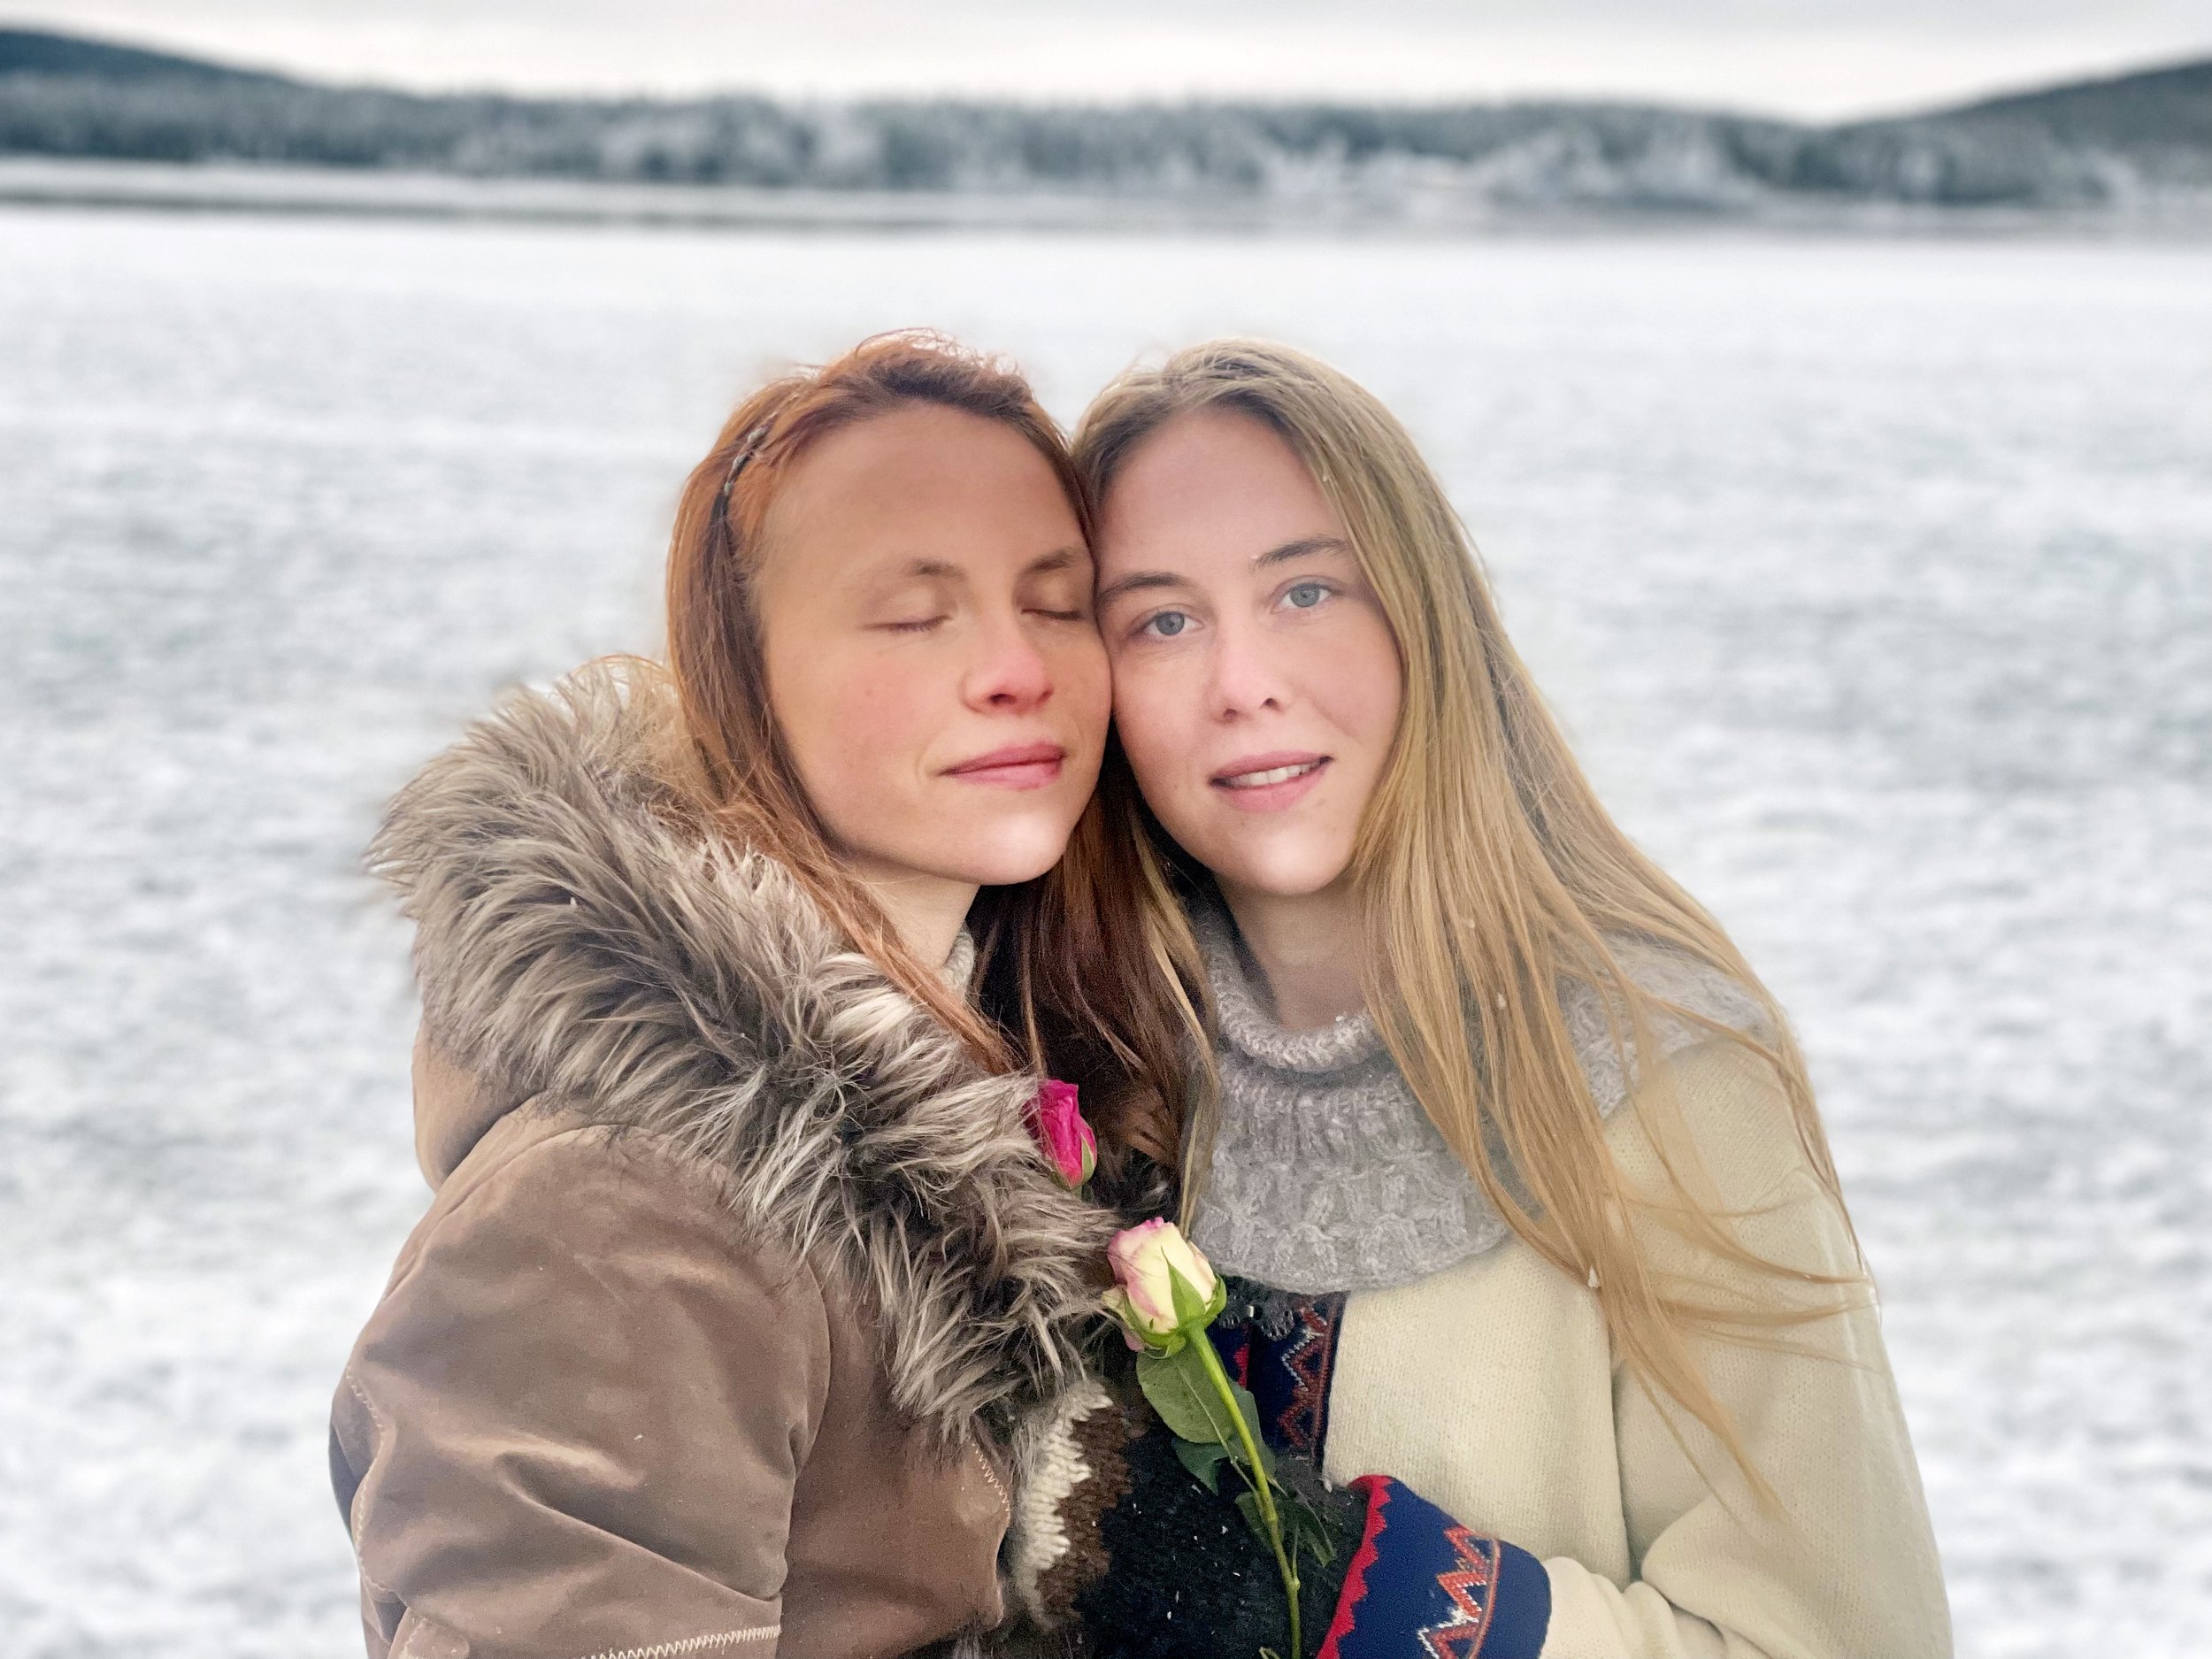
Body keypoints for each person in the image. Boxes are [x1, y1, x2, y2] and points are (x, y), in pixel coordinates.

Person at [1039, 339, 1953, 1657]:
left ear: (1426, 619)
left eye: (1306, 590)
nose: (1242, 684)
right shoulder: (1079, 1068)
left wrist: (1384, 1601)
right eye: (1163, 621)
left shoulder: (1666, 1075)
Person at [327, 332, 1194, 1659]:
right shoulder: (620, 1219)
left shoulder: (1029, 1080)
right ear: (744, 677)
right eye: (915, 614)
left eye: (1057, 602)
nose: (1015, 667)